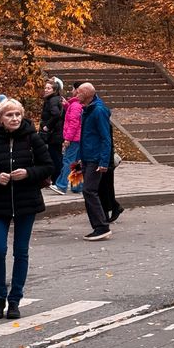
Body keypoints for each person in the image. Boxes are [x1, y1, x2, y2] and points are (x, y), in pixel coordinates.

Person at [0, 97, 53, 319]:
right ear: (0, 119)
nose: (15, 118)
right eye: (9, 115)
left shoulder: (32, 138)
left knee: (21, 251)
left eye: (18, 114)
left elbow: (48, 166)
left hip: (26, 202)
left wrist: (28, 173)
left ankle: (15, 299)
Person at [75, 82, 113, 241]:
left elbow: (106, 138)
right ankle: (99, 225)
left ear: (87, 94)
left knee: (89, 190)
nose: (76, 96)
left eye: (78, 93)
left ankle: (101, 226)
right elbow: (86, 136)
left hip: (95, 158)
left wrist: (103, 162)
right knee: (90, 191)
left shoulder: (98, 110)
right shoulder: (88, 110)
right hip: (88, 156)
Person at [50, 81, 84, 196]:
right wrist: (66, 106)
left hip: (73, 138)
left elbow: (73, 123)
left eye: (73, 89)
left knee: (67, 161)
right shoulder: (79, 104)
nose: (71, 91)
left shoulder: (75, 105)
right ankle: (76, 186)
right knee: (77, 162)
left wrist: (67, 139)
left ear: (77, 90)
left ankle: (61, 185)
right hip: (80, 138)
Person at [39, 77, 65, 185]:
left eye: (49, 88)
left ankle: (56, 180)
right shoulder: (53, 99)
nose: (46, 90)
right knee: (54, 156)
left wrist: (47, 126)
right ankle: (55, 180)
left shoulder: (52, 100)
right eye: (45, 88)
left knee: (55, 157)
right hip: (55, 134)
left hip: (54, 134)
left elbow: (56, 114)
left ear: (54, 90)